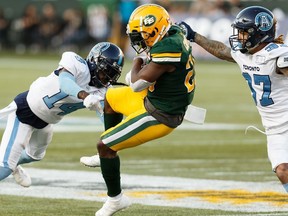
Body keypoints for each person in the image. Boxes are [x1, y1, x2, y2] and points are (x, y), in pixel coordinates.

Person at [81, 3, 196, 216]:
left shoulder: (168, 47)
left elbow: (135, 83)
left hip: (160, 114)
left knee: (104, 146)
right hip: (154, 99)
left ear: (156, 30)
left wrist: (137, 61)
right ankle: (108, 149)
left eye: (142, 35)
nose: (138, 40)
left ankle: (115, 199)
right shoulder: (173, 32)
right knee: (110, 98)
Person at [179, 6, 288, 192]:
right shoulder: (245, 54)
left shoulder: (278, 54)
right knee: (282, 170)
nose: (240, 37)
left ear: (258, 33)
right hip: (274, 128)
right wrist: (194, 35)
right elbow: (222, 50)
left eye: (244, 32)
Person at [0, 42, 124, 187]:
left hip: (46, 121)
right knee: (4, 168)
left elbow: (107, 119)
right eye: (105, 72)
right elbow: (66, 83)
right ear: (94, 62)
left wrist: (113, 139)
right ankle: (9, 161)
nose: (106, 79)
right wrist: (85, 96)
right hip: (25, 111)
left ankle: (13, 161)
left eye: (111, 75)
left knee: (34, 155)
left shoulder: (102, 90)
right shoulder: (75, 62)